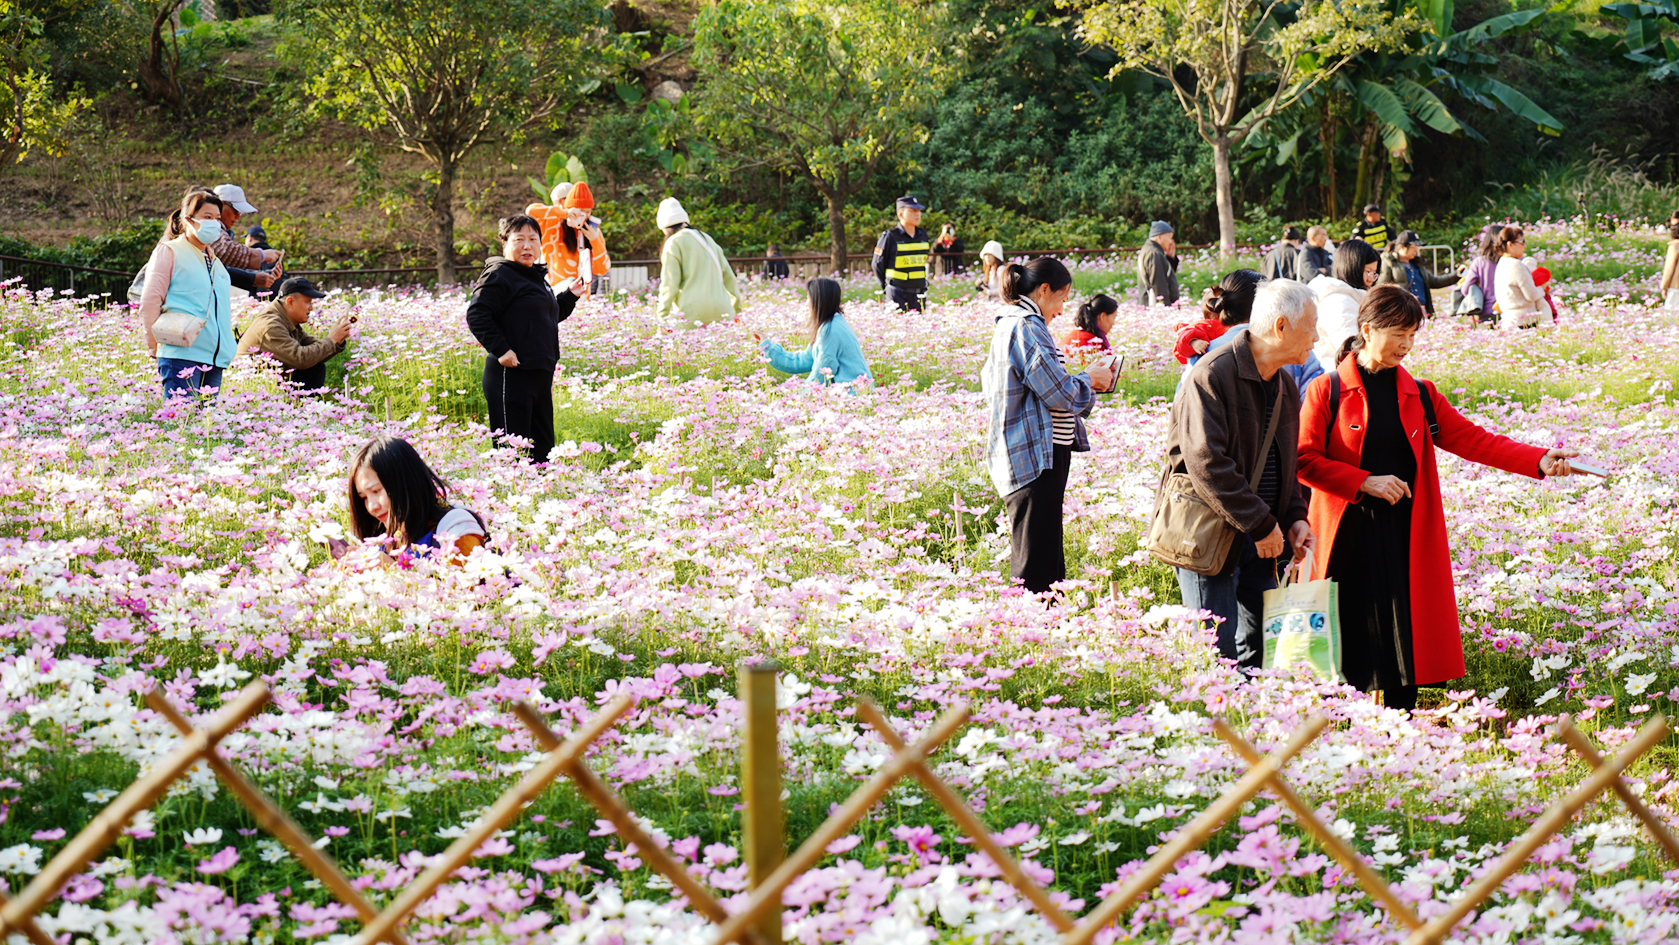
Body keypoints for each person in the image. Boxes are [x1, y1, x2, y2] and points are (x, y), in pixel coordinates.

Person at [1296, 285, 1582, 710]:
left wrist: (1539, 460)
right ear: (1368, 329)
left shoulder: (1421, 394)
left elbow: (1474, 440)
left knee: (1402, 637)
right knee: (1350, 634)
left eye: (1413, 335)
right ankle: (1347, 736)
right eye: (1399, 334)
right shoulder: (1327, 390)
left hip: (1404, 533)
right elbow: (1303, 459)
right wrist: (1363, 482)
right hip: (1345, 537)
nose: (1407, 345)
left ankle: (1400, 732)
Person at [1160, 279, 1318, 669]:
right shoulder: (1213, 374)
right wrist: (1262, 523)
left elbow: (1286, 462)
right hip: (1209, 534)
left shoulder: (1284, 384)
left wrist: (1296, 517)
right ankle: (1213, 731)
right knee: (1216, 656)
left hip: (1262, 538)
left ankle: (1255, 727)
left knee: (1263, 651)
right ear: (1280, 327)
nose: (1316, 337)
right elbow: (1205, 463)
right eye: (1311, 326)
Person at [982, 258, 1117, 595]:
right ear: (1044, 290)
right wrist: (1090, 379)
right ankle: (1034, 635)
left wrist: (1084, 383)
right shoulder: (1026, 326)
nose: (1061, 309)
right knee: (1037, 569)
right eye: (1061, 297)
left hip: (1031, 454)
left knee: (1046, 561)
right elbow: (1057, 392)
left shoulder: (1012, 323)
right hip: (1033, 459)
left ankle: (1047, 633)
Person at [464, 214, 583, 462]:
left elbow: (547, 316)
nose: (527, 246)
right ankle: (511, 498)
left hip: (539, 372)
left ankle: (541, 496)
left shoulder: (534, 276)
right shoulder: (500, 274)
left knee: (543, 448)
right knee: (513, 450)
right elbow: (477, 314)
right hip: (512, 373)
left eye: (533, 239)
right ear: (505, 242)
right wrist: (502, 350)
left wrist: (571, 295)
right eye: (519, 239)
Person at [138, 190, 235, 399]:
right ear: (188, 219)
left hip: (214, 358)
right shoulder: (170, 251)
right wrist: (155, 346)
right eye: (207, 217)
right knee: (182, 425)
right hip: (181, 353)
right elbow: (150, 301)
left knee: (206, 428)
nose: (214, 223)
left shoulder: (215, 261)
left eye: (217, 218)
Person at [347, 436, 487, 566]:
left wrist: (391, 571)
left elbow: (467, 587)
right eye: (364, 498)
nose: (371, 507)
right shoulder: (384, 538)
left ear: (405, 484)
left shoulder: (455, 528)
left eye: (376, 491)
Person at [235, 277, 351, 392]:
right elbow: (301, 358)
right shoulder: (271, 325)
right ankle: (305, 409)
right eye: (307, 302)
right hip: (251, 390)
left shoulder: (285, 319)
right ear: (290, 302)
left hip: (270, 383)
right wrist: (331, 340)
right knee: (313, 367)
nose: (311, 307)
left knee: (315, 366)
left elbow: (314, 350)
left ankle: (307, 408)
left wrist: (337, 340)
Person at [752, 277, 870, 386]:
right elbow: (802, 360)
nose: (806, 303)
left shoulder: (830, 330)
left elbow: (821, 373)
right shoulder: (831, 323)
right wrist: (768, 346)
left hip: (852, 394)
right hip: (853, 392)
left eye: (808, 298)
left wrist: (800, 395)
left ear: (818, 300)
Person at [653, 197, 741, 327]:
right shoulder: (707, 239)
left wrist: (662, 316)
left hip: (692, 314)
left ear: (664, 227)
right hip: (722, 311)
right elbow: (729, 277)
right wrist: (737, 310)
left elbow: (669, 284)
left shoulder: (673, 243)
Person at [525, 182, 610, 296]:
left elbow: (602, 270)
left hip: (582, 298)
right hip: (554, 293)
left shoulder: (592, 229)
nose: (583, 215)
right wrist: (565, 213)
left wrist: (595, 240)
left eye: (587, 211)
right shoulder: (552, 224)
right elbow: (530, 211)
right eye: (580, 210)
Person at [1308, 239, 1380, 374]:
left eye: (1374, 273)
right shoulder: (1339, 302)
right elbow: (1353, 351)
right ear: (1352, 267)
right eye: (1368, 271)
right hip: (1338, 380)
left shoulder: (1348, 298)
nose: (1371, 279)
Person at [873, 196, 932, 312]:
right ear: (900, 214)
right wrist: (886, 288)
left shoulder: (923, 236)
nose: (917, 214)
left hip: (919, 294)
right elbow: (877, 264)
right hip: (897, 293)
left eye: (918, 211)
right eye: (912, 211)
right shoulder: (890, 236)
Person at [1377, 231, 1455, 316]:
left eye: (1417, 248)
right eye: (1413, 248)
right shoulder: (1390, 263)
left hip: (1422, 310)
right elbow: (1381, 288)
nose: (1416, 251)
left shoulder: (1418, 265)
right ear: (1402, 247)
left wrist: (1457, 275)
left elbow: (1435, 282)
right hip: (1402, 311)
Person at [210, 184, 282, 272]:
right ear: (221, 205)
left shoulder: (221, 229)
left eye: (240, 213)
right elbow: (225, 250)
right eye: (236, 211)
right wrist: (261, 255)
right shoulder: (209, 226)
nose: (238, 217)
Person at [1492, 226, 1551, 330]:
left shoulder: (1501, 263)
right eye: (1522, 242)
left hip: (1508, 321)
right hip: (1524, 321)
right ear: (1510, 244)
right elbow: (1531, 295)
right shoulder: (1516, 265)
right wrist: (1542, 288)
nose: (1524, 246)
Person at [1062, 293, 1117, 365]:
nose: (1113, 323)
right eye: (1114, 318)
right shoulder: (1089, 341)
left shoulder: (1077, 334)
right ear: (1102, 316)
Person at [1136, 221, 1180, 306]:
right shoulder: (1154, 253)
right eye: (1170, 237)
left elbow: (1165, 276)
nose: (1171, 242)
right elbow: (1159, 285)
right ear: (1159, 237)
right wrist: (1165, 309)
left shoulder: (1151, 250)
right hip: (1157, 309)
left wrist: (1170, 259)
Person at [1662, 219, 1679, 313]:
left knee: (1671, 315)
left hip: (1676, 287)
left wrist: (1664, 287)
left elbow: (1669, 268)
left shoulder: (1674, 246)